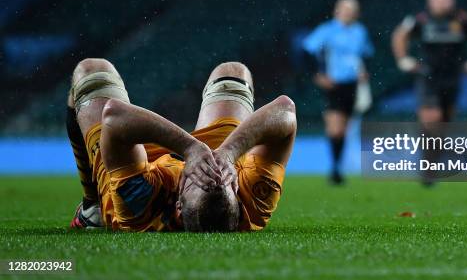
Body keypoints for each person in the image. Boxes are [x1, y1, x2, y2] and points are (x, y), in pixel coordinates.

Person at [66, 58, 296, 232]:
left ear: (178, 205)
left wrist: (191, 149)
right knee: (233, 73)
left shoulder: (140, 203)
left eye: (197, 178)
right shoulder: (253, 202)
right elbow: (285, 109)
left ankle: (90, 205)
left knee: (91, 71)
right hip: (216, 150)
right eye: (222, 177)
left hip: (130, 158)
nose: (211, 170)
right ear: (236, 191)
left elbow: (114, 116)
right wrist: (228, 154)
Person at [391, 0, 467, 185]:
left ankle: (431, 164)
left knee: (444, 124)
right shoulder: (420, 19)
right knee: (433, 119)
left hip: (453, 77)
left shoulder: (463, 19)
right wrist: (403, 59)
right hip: (428, 76)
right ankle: (428, 166)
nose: (443, 1)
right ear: (430, 0)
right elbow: (399, 35)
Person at [303, 0, 374, 184]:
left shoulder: (360, 31)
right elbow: (306, 51)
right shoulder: (327, 31)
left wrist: (365, 71)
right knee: (335, 128)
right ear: (337, 10)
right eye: (345, 9)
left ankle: (337, 167)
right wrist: (318, 75)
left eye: (352, 10)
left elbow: (367, 54)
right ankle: (334, 168)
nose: (349, 13)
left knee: (344, 129)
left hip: (353, 85)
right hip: (334, 84)